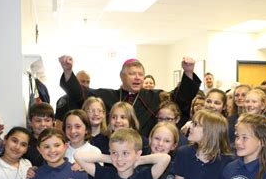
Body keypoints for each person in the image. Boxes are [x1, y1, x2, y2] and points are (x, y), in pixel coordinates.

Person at [59, 56, 201, 136]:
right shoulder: (107, 96)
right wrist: (68, 71)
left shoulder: (156, 96)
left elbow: (180, 99)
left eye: (140, 74)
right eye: (132, 74)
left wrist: (188, 73)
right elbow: (79, 94)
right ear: (122, 76)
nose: (137, 78)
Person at [23, 102, 54, 167]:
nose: (43, 124)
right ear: (30, 122)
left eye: (47, 120)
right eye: (38, 121)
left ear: (53, 121)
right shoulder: (25, 141)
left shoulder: (59, 140)